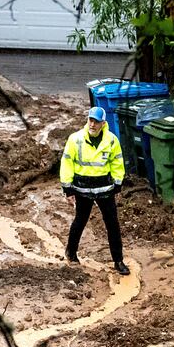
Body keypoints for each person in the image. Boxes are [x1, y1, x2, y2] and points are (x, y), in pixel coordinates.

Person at [59, 106, 129, 274]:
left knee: (112, 224)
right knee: (80, 220)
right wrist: (68, 189)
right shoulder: (75, 139)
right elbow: (67, 163)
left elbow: (117, 163)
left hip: (104, 189)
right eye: (91, 120)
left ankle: (118, 261)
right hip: (82, 188)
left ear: (103, 123)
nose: (92, 124)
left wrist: (117, 184)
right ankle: (71, 252)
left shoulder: (112, 140)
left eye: (96, 121)